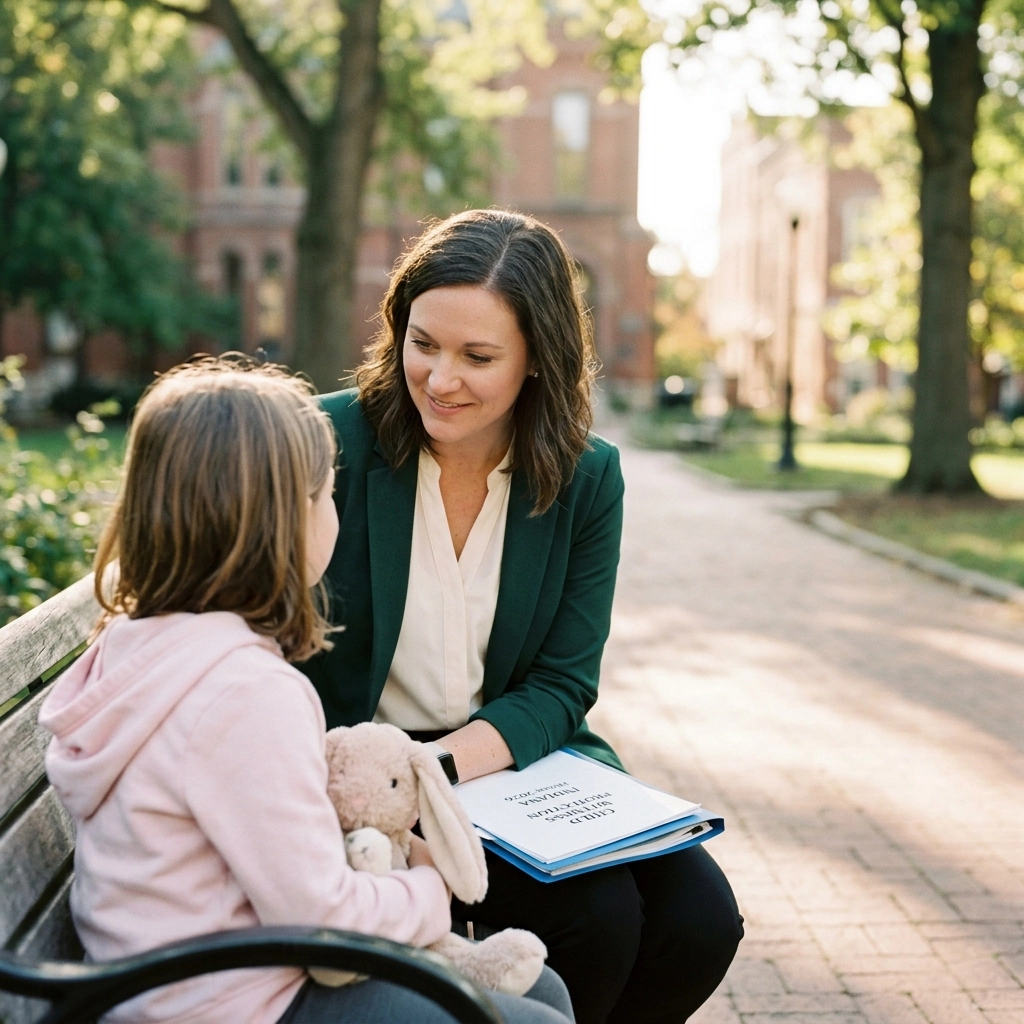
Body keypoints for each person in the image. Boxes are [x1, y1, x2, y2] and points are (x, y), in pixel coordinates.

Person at [300, 209, 744, 1024]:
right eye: (424, 342)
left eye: (478, 357)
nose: (439, 378)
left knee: (700, 922)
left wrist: (445, 769)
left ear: (538, 360)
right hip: (367, 776)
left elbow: (563, 683)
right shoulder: (326, 443)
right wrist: (400, 783)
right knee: (598, 923)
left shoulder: (586, 476)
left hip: (507, 761)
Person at [39, 356, 574, 1024]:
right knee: (540, 1017)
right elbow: (323, 916)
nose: (334, 511)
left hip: (165, 982)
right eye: (325, 494)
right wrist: (430, 886)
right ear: (277, 519)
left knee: (540, 991)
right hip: (232, 1001)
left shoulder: (141, 647)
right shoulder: (244, 692)